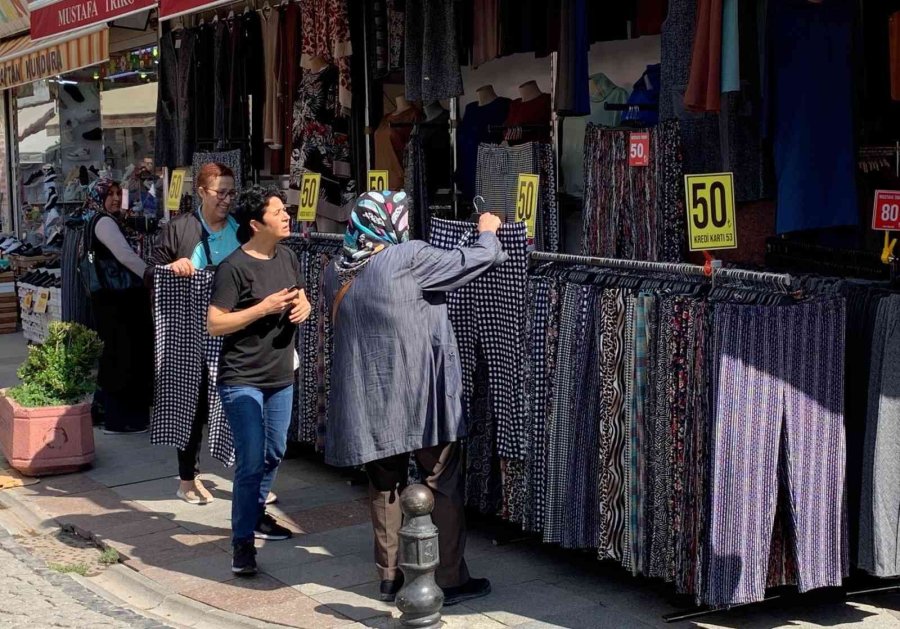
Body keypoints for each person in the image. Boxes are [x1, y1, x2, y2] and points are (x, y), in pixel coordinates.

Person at [323, 191, 503, 606]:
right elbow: (477, 259)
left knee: (384, 486)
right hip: (421, 396)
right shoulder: (409, 257)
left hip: (368, 399)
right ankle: (450, 577)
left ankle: (389, 576)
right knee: (441, 481)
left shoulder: (336, 271)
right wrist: (488, 231)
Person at [207, 185, 312, 576]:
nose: (287, 215)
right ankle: (242, 544)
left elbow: (300, 297)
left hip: (281, 374)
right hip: (242, 378)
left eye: (285, 209)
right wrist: (262, 309)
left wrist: (304, 305)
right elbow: (215, 323)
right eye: (278, 212)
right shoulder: (233, 267)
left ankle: (253, 515)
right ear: (256, 224)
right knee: (250, 460)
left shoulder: (287, 256)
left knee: (274, 451)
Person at [147, 163, 258, 505]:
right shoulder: (179, 229)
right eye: (219, 192)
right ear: (201, 192)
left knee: (242, 402)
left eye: (231, 192)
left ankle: (251, 480)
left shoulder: (242, 230)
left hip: (234, 327)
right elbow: (150, 273)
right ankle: (186, 478)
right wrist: (171, 268)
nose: (226, 200)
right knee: (190, 402)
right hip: (189, 330)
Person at [85, 178, 153, 434]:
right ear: (99, 196)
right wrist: (150, 274)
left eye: (117, 193)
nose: (115, 198)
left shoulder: (94, 219)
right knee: (124, 356)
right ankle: (123, 420)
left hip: (111, 300)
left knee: (115, 355)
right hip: (119, 301)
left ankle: (109, 413)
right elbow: (123, 254)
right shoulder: (104, 222)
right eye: (109, 194)